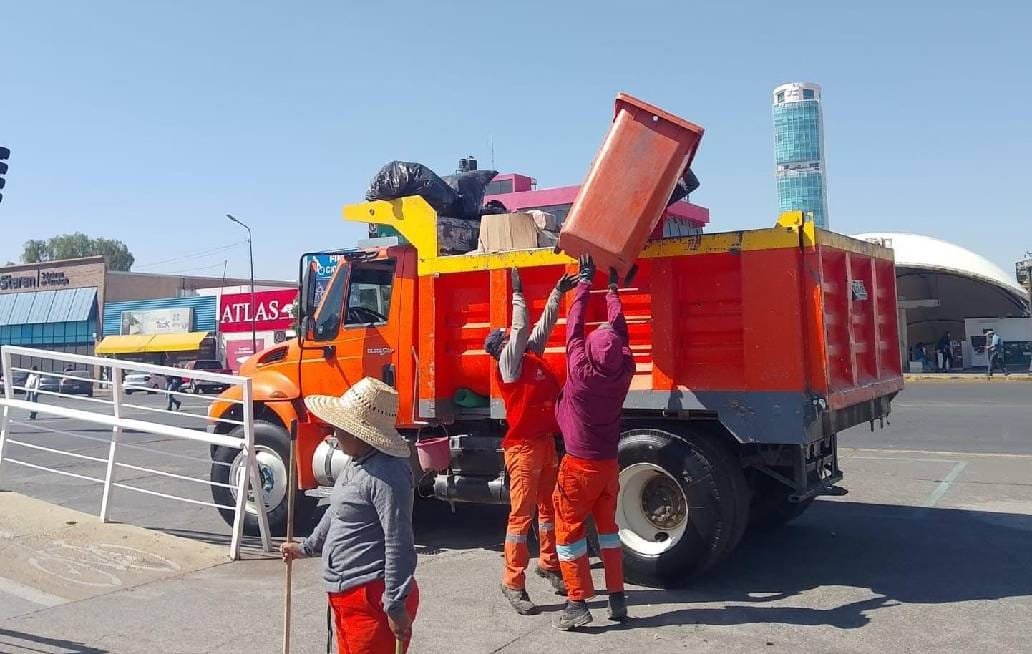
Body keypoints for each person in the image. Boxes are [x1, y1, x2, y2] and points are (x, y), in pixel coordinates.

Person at [280, 377, 418, 654]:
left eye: (339, 427)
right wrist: (306, 547)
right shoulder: (357, 464)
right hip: (348, 596)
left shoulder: (387, 475)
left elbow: (399, 541)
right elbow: (336, 511)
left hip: (371, 597)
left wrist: (394, 602)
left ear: (359, 433)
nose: (333, 433)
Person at [483, 266, 577, 614]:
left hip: (543, 444)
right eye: (508, 339)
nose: (514, 338)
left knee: (549, 508)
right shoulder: (509, 364)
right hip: (522, 450)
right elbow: (523, 329)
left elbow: (541, 328)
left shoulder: (528, 357)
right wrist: (519, 294)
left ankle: (549, 563)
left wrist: (556, 293)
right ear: (501, 349)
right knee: (521, 518)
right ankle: (512, 582)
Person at [553, 255, 636, 630]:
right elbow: (619, 332)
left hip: (579, 467)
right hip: (608, 466)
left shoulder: (581, 373)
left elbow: (573, 326)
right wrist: (613, 290)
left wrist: (586, 283)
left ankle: (577, 603)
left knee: (569, 532)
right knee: (608, 533)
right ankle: (617, 599)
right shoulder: (623, 370)